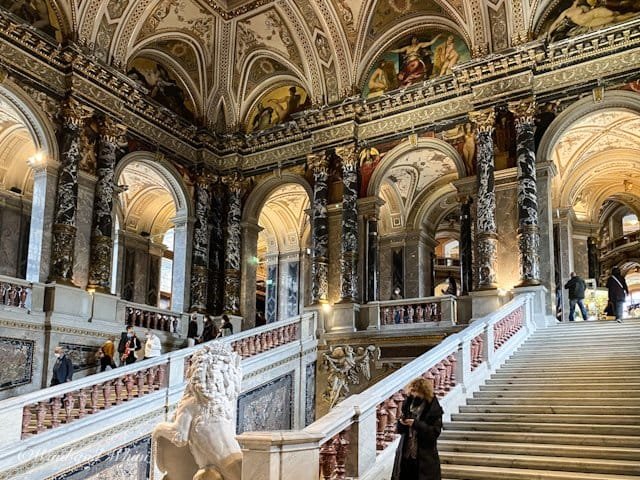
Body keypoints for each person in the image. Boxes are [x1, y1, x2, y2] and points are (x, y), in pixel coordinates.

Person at [392, 377, 443, 480]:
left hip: (424, 455)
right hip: (406, 453)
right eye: (412, 391)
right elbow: (400, 430)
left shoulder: (433, 408)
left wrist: (416, 424)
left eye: (416, 391)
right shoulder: (409, 403)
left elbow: (434, 433)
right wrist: (402, 423)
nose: (413, 394)